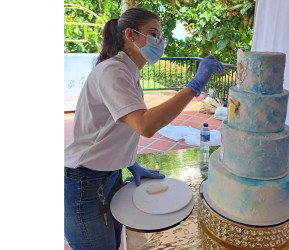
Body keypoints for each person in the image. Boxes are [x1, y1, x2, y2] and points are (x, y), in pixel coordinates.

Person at [64, 7, 224, 250]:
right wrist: (194, 86)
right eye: (153, 34)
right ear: (130, 34)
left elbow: (114, 128)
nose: (160, 41)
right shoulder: (113, 71)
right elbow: (144, 124)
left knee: (113, 244)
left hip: (109, 174)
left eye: (160, 35)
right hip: (85, 180)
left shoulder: (129, 72)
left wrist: (129, 162)